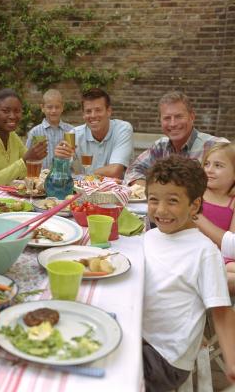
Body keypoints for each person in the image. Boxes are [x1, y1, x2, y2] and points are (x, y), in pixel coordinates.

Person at [143, 154, 232, 391]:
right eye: (153, 199)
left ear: (194, 205)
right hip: (140, 337)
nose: (161, 210)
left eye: (172, 201)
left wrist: (232, 359)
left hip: (165, 358)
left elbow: (221, 310)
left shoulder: (204, 252)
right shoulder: (151, 236)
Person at [125, 91, 228, 186]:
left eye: (179, 116)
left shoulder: (215, 146)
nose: (173, 123)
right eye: (167, 118)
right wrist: (143, 189)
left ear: (192, 117)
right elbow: (133, 169)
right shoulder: (161, 146)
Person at [54, 88, 133, 178]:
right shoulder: (74, 135)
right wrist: (59, 159)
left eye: (98, 110)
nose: (93, 115)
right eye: (88, 111)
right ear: (83, 115)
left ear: (109, 111)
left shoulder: (122, 129)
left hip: (115, 190)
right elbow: (59, 174)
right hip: (83, 191)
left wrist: (85, 177)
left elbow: (115, 171)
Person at [193, 142, 235, 295]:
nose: (209, 170)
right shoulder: (197, 193)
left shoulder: (233, 202)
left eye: (218, 165)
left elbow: (232, 246)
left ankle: (203, 283)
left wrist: (198, 218)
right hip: (195, 251)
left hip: (221, 257)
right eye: (207, 164)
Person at [25, 89, 73, 169]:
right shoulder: (34, 132)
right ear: (42, 108)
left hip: (65, 177)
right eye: (49, 107)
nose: (53, 111)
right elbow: (27, 158)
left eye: (57, 107)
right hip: (42, 178)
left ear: (62, 107)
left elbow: (76, 158)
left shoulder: (71, 131)